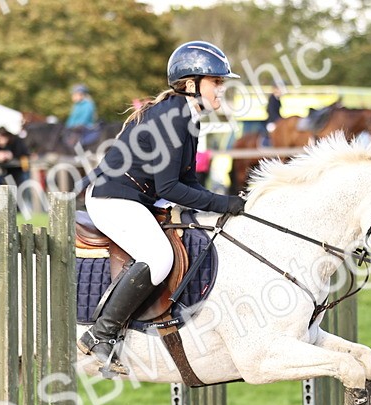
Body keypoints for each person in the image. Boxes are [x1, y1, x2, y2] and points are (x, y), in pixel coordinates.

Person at [79, 41, 247, 373]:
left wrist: (224, 205)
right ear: (192, 84)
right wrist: (224, 202)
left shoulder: (187, 115)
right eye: (217, 83)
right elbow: (169, 188)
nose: (221, 91)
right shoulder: (175, 115)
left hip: (135, 198)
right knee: (158, 257)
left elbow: (190, 183)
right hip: (112, 199)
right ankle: (101, 335)